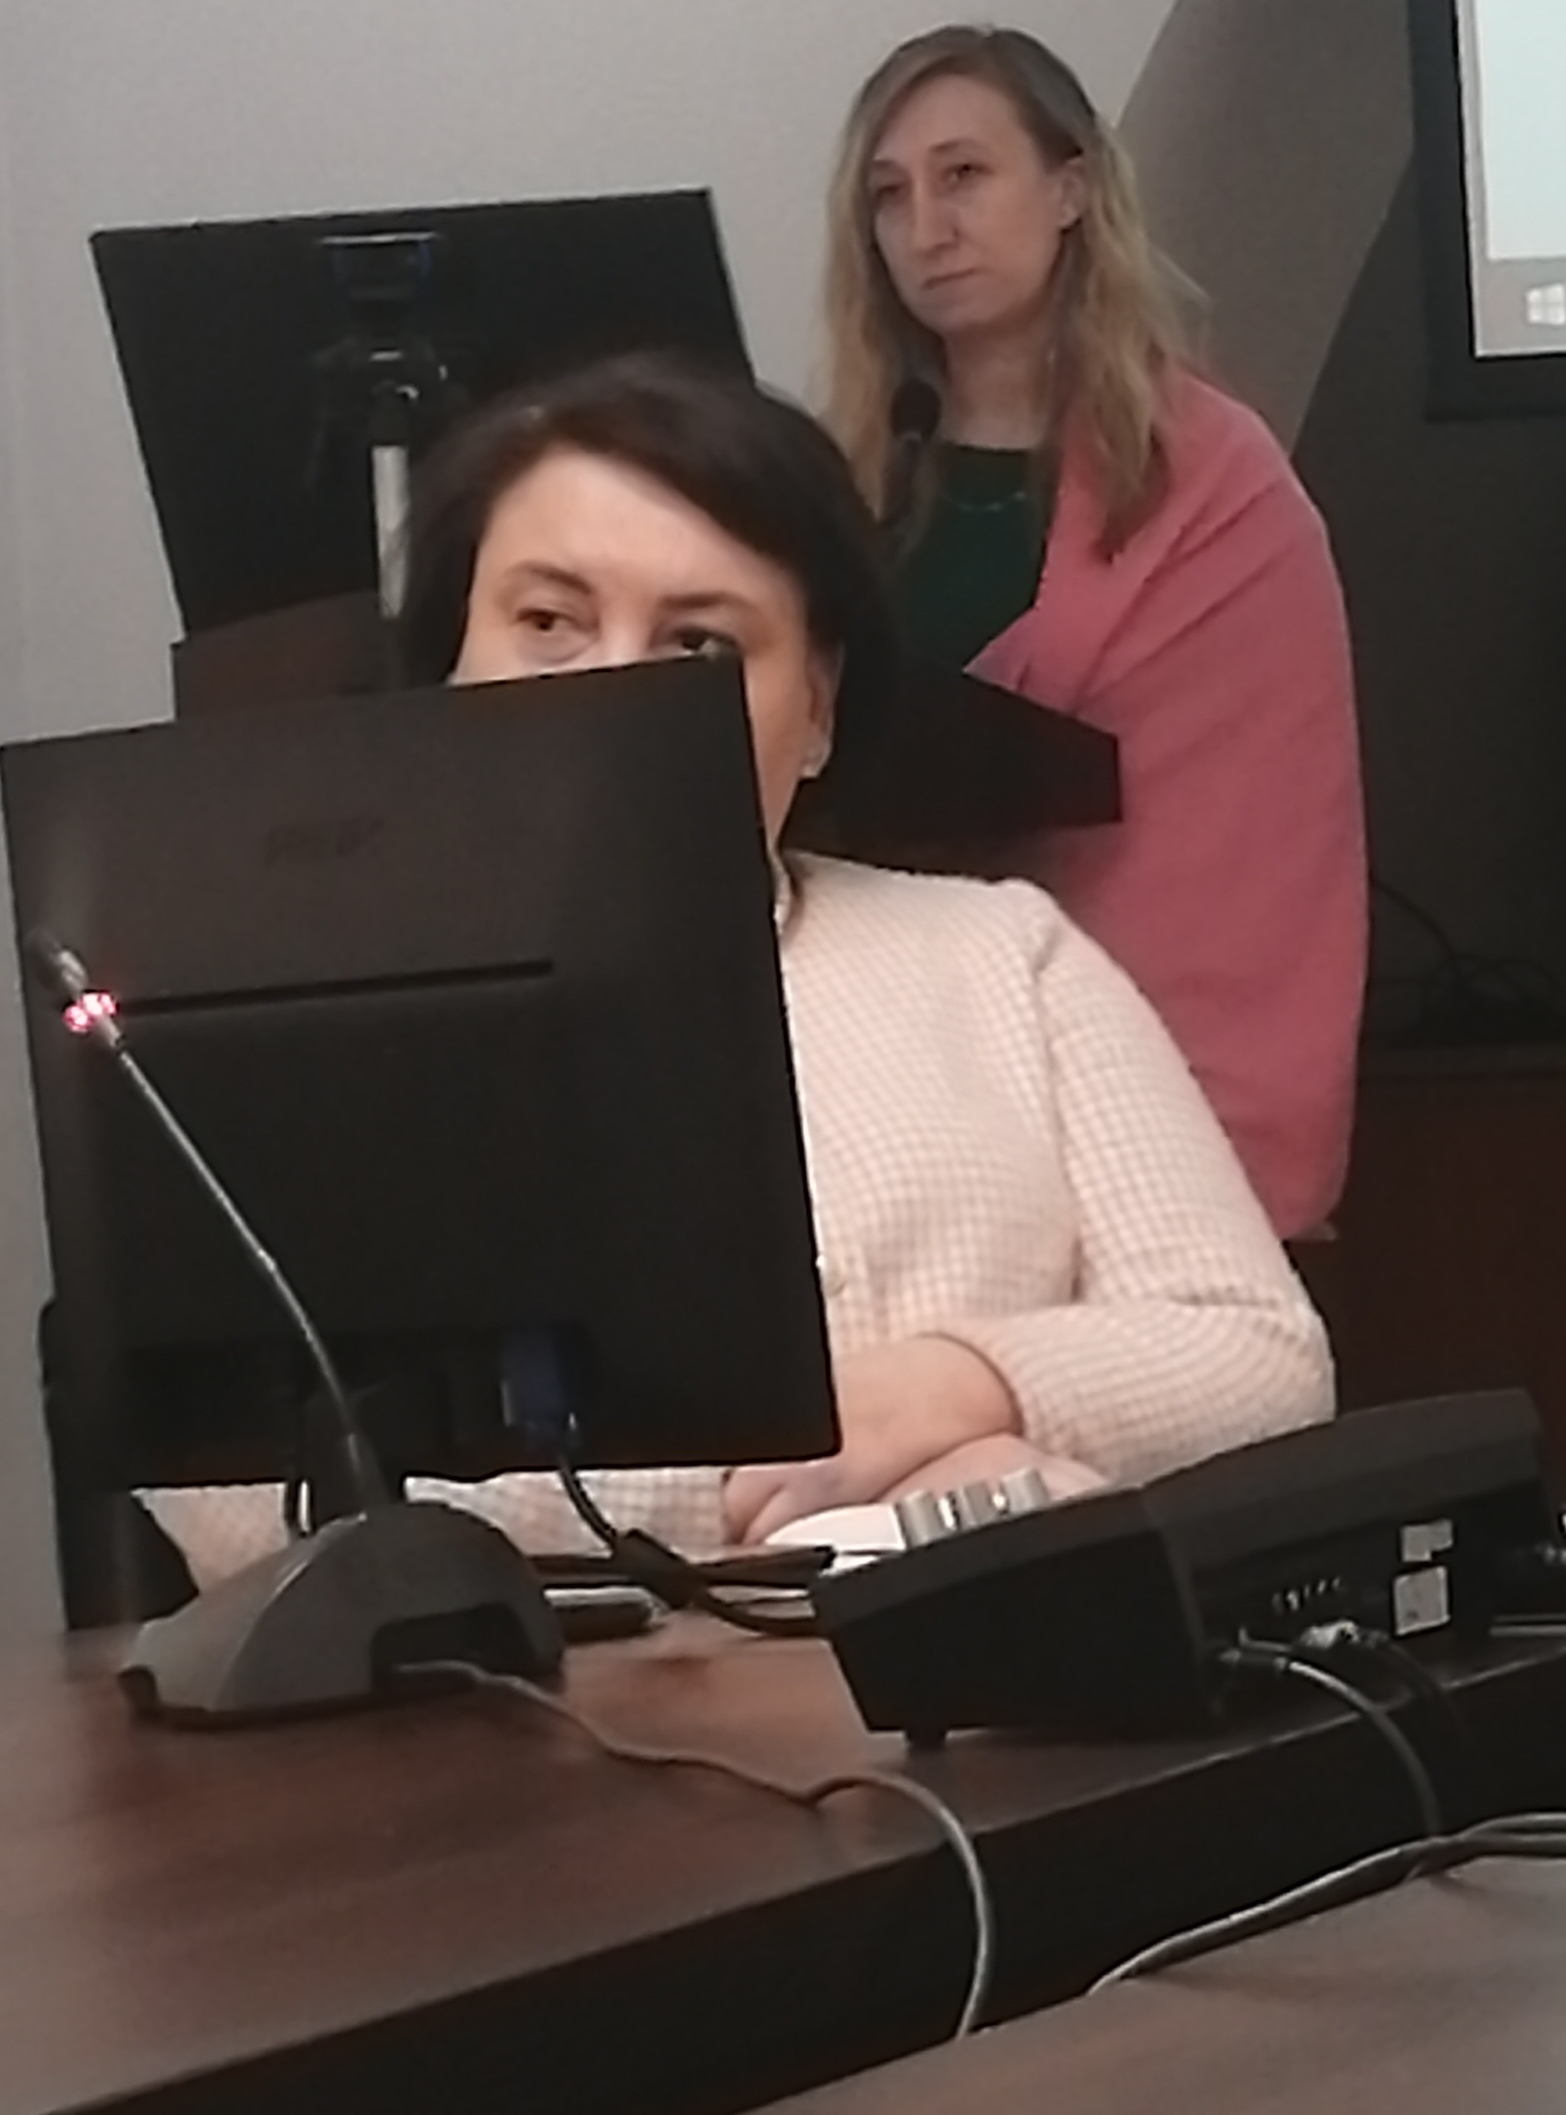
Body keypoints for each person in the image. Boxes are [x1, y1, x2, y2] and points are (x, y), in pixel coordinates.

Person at [150, 354, 1330, 1587]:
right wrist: (825, 1482)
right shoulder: (294, 1007)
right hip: (514, 1699)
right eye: (548, 621)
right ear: (452, 660)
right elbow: (234, 1486)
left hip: (992, 1678)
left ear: (815, 706)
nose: (617, 688)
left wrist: (958, 1387)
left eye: (701, 642)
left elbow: (1263, 1359)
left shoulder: (1005, 954)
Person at [822, 24, 1366, 1238]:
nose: (927, 226)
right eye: (890, 195)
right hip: (899, 1057)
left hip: (1153, 1052)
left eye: (965, 175)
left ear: (1070, 190)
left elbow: (1244, 821)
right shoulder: (858, 475)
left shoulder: (1210, 480)